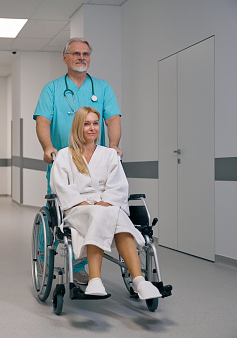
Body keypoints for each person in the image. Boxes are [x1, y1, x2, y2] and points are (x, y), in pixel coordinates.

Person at [33, 37, 122, 284]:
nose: (81, 57)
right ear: (65, 58)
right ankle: (43, 257)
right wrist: (48, 147)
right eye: (76, 54)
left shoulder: (102, 88)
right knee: (57, 211)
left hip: (94, 163)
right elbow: (43, 121)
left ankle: (81, 263)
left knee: (93, 209)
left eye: (86, 53)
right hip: (63, 162)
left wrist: (113, 145)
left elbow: (113, 119)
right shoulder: (52, 89)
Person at [50, 106, 161, 299]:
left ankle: (139, 281)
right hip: (78, 209)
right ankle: (96, 279)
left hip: (106, 206)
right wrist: (82, 203)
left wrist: (107, 203)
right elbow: (61, 187)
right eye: (86, 124)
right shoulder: (64, 155)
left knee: (115, 217)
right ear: (77, 127)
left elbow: (118, 185)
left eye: (95, 123)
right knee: (105, 214)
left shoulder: (109, 154)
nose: (92, 128)